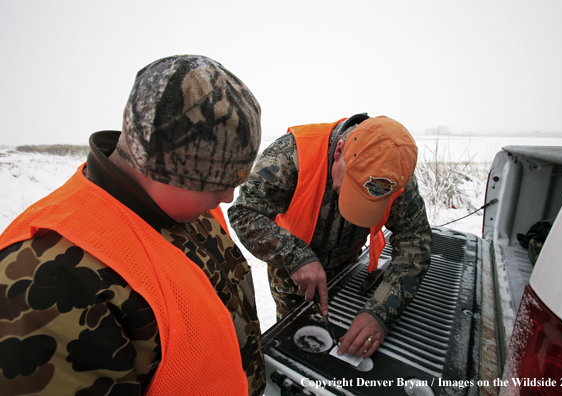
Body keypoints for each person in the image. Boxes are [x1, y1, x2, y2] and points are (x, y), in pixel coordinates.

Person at [0, 55, 265, 395]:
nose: (228, 196)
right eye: (217, 183)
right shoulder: (46, 279)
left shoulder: (188, 209)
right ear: (163, 167)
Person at [229, 113, 432, 359]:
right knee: (295, 355)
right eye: (349, 191)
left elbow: (415, 243)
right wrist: (294, 254)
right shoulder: (290, 155)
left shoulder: (394, 176)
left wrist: (381, 312)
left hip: (347, 276)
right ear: (339, 152)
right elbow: (244, 212)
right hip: (292, 280)